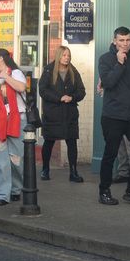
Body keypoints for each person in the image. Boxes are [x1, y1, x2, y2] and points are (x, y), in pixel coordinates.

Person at [97, 26, 130, 206]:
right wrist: (119, 63)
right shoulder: (105, 59)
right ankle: (104, 191)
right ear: (114, 41)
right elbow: (108, 83)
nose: (125, 44)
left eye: (128, 40)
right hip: (113, 115)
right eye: (121, 40)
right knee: (110, 154)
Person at [0, 49, 27, 207]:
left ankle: (16, 189)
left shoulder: (16, 74)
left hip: (16, 119)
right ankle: (2, 194)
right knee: (0, 160)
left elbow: (22, 88)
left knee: (16, 159)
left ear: (1, 59)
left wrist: (5, 76)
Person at [38, 45, 87, 183]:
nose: (67, 58)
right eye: (64, 55)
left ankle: (73, 172)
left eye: (69, 56)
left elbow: (81, 91)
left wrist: (72, 97)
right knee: (49, 142)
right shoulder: (48, 70)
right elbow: (42, 90)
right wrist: (59, 98)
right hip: (53, 114)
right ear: (59, 56)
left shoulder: (73, 71)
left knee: (72, 143)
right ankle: (45, 170)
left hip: (70, 114)